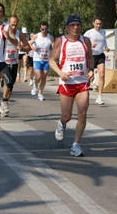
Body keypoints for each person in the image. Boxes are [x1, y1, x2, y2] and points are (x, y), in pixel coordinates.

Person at [49, 14, 94, 156]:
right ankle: (62, 124)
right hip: (67, 83)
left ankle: (75, 145)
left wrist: (91, 70)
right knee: (67, 116)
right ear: (67, 27)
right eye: (73, 25)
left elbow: (90, 57)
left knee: (82, 113)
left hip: (82, 83)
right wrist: (60, 73)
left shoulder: (85, 41)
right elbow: (51, 60)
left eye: (78, 25)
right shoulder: (61, 41)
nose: (76, 27)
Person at [0, 15, 31, 117]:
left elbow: (28, 48)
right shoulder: (3, 31)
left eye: (16, 25)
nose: (14, 27)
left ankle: (5, 104)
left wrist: (22, 49)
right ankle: (4, 102)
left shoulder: (19, 34)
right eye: (12, 25)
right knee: (10, 81)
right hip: (3, 62)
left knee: (11, 85)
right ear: (8, 23)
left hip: (14, 62)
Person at [84, 17, 110, 105]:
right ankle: (85, 93)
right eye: (97, 24)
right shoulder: (88, 32)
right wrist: (90, 45)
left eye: (100, 24)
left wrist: (106, 47)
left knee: (102, 74)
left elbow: (104, 41)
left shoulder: (103, 32)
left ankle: (99, 96)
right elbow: (83, 43)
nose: (98, 26)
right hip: (91, 56)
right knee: (89, 76)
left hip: (100, 55)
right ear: (93, 23)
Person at [29, 21, 54, 101]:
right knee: (39, 76)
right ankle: (35, 85)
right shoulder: (36, 36)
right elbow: (29, 43)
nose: (44, 31)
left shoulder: (50, 37)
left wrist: (53, 52)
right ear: (40, 28)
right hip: (37, 59)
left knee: (44, 76)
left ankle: (40, 93)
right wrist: (33, 48)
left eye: (46, 29)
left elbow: (53, 47)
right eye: (43, 29)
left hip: (46, 59)